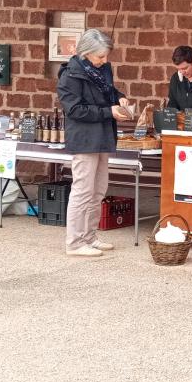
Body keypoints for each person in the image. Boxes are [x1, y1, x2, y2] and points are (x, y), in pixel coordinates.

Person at [57, 29, 132, 257]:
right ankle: (75, 242)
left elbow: (108, 91)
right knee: (82, 190)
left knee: (98, 189)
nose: (104, 61)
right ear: (87, 53)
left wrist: (118, 97)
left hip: (103, 135)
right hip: (84, 138)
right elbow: (75, 110)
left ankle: (89, 236)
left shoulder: (102, 70)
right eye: (100, 57)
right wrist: (108, 111)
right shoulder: (70, 75)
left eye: (106, 56)